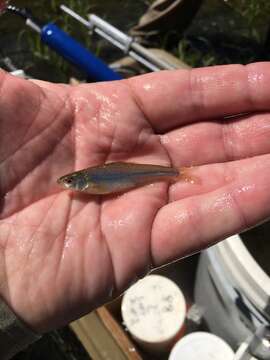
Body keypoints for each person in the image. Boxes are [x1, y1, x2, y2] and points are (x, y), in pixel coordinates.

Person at [1, 62, 270, 358]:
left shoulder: (90, 181)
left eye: (69, 181)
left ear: (80, 181)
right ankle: (178, 172)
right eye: (69, 181)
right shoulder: (88, 182)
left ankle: (178, 172)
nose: (67, 185)